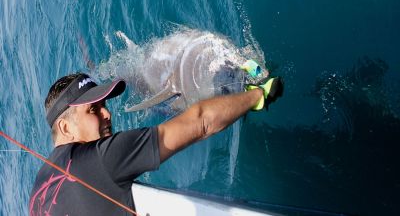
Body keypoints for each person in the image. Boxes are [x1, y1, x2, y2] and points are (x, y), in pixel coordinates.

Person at [29, 72, 283, 215]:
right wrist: (258, 94)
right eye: (94, 109)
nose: (107, 114)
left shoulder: (36, 196)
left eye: (105, 105)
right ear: (65, 127)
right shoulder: (103, 158)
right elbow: (201, 122)